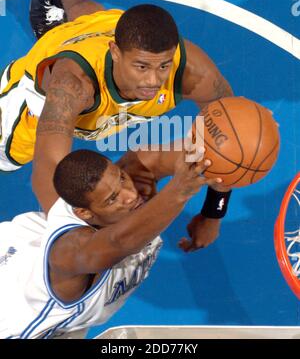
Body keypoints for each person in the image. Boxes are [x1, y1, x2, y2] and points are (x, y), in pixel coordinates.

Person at [0, 0, 233, 181]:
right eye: (142, 67)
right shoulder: (71, 86)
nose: (153, 81)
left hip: (95, 36)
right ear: (116, 52)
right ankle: (54, 8)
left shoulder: (191, 71)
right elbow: (49, 165)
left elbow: (230, 124)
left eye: (163, 66)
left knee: (93, 17)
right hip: (37, 103)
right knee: (9, 156)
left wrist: (221, 166)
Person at [0, 142, 223, 339]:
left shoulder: (134, 177)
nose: (131, 195)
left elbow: (214, 151)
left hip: (16, 255)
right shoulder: (70, 253)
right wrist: (178, 192)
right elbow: (119, 242)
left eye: (122, 179)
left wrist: (213, 212)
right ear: (84, 213)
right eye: (113, 198)